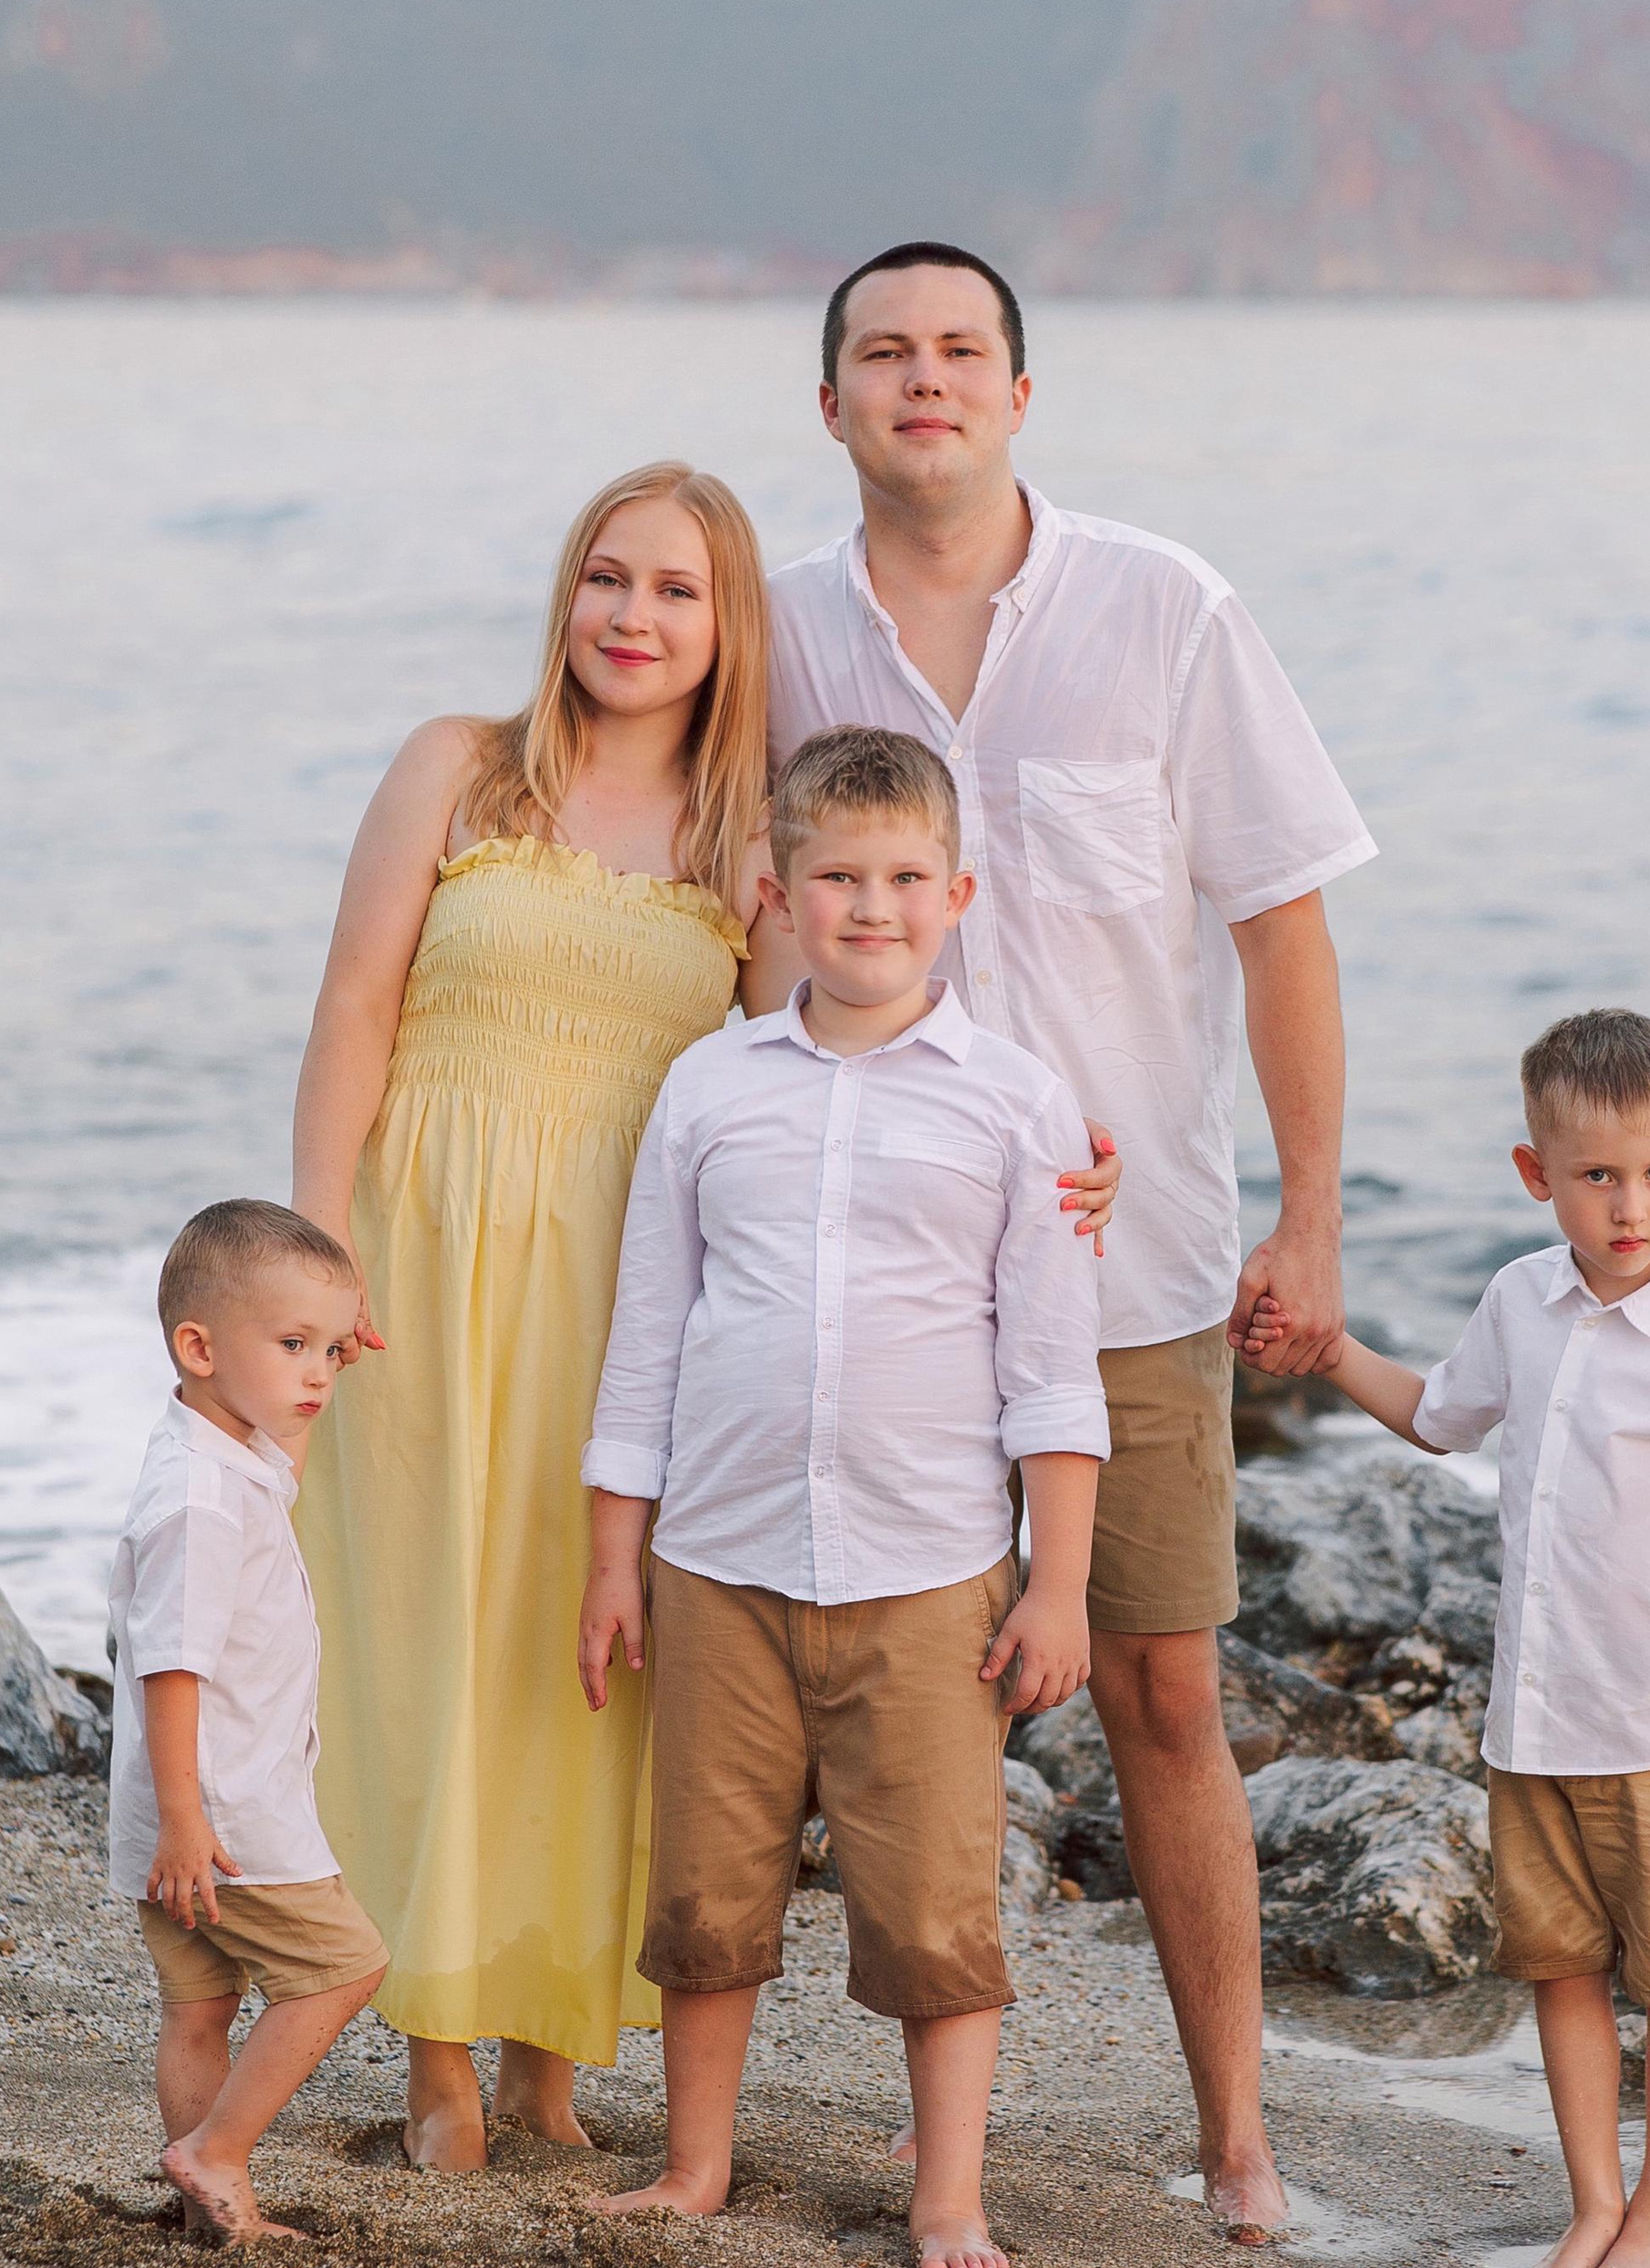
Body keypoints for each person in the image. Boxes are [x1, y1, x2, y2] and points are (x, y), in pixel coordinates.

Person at [763, 240, 1374, 2238]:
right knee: (830, 1692)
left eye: (958, 350)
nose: (920, 378)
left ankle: (1236, 2135)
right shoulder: (771, 634)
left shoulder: (1163, 607)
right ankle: (826, 2134)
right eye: (882, 352)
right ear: (830, 400)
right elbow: (715, 935)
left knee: (1165, 1695)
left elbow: (1280, 922)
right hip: (865, 1281)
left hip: (1132, 1273)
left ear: (1020, 392)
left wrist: (1307, 1212)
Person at [286, 463, 778, 2169]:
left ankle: (551, 2058)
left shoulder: (753, 836)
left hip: (624, 1297)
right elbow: (353, 1007)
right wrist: (312, 1264)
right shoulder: (455, 767)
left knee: (580, 1663)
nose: (634, 619)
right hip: (414, 1270)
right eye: (608, 579)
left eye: (677, 592)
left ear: (730, 632)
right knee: (412, 1635)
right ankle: (429, 2050)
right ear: (566, 594)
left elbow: (803, 1087)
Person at [576, 727, 1106, 2268]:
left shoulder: (1018, 1105)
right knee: (706, 1890)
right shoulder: (708, 1088)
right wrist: (622, 1561)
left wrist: (1057, 1583)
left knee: (938, 1911)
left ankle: (947, 2198)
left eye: (899, 882)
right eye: (835, 880)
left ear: (958, 893)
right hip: (720, 1563)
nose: (868, 910)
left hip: (932, 1573)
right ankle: (693, 2167)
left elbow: (1054, 1376)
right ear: (776, 893)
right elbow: (646, 1341)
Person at [1258, 1010, 1650, 2268]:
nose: (1631, 1206)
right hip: (1535, 1724)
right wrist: (1331, 1350)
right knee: (1559, 1968)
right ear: (1537, 1174)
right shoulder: (1522, 1299)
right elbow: (1443, 1419)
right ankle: (1594, 2210)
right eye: (1598, 1175)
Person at [108, 1200, 391, 2245]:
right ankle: (215, 2152)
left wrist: (306, 1373)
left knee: (198, 2006)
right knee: (345, 1965)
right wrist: (189, 1819)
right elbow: (172, 1667)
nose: (317, 1372)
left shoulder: (219, 1449)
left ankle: (205, 2211)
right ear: (199, 1346)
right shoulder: (200, 1498)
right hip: (222, 1811)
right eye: (292, 1345)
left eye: (328, 1347)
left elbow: (287, 1460)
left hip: (174, 1809)